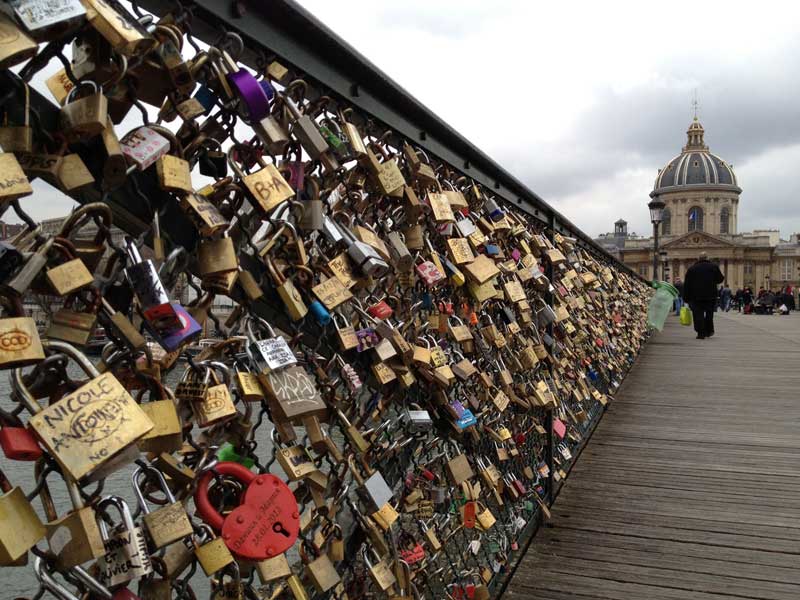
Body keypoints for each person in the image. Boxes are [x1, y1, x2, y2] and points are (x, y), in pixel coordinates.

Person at [682, 252, 724, 339]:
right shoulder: (713, 267)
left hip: (696, 296)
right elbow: (720, 279)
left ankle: (700, 333)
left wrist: (686, 297)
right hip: (710, 295)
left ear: (699, 259)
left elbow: (687, 284)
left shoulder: (692, 269)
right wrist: (712, 281)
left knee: (698, 314)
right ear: (707, 258)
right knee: (709, 314)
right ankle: (709, 331)